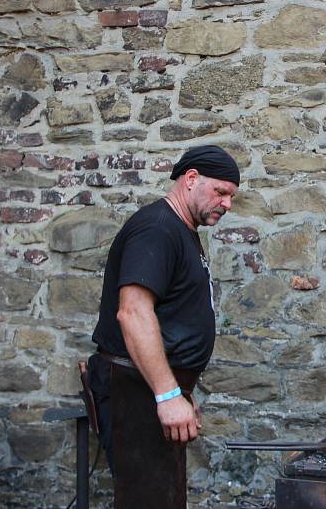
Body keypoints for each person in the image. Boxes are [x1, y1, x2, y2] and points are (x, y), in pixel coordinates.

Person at [87, 145, 240, 508]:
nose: (227, 204)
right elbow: (133, 313)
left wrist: (178, 390)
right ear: (190, 180)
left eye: (232, 196)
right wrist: (167, 394)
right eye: (220, 192)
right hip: (133, 393)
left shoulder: (182, 230)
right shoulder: (157, 228)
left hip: (150, 389)